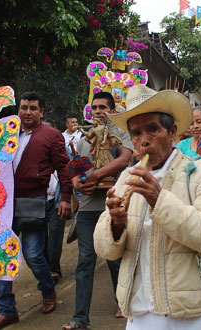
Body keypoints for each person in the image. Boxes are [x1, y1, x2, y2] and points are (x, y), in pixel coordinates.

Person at [94, 84, 201, 329]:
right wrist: (115, 223)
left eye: (153, 129)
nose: (144, 140)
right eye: (136, 133)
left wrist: (160, 200)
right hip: (139, 311)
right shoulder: (126, 178)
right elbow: (106, 251)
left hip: (188, 314)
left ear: (173, 131)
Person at [0, 92, 72, 330]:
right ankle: (7, 310)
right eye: (24, 108)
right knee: (1, 255)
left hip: (34, 202)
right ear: (18, 109)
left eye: (33, 108)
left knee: (33, 255)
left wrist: (65, 198)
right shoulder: (5, 133)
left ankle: (47, 290)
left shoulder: (52, 135)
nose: (28, 112)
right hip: (2, 206)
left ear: (41, 111)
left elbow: (63, 169)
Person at [62, 92, 133, 330]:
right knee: (85, 261)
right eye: (94, 108)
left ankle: (122, 303)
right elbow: (77, 166)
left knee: (114, 258)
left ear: (112, 110)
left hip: (113, 205)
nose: (98, 111)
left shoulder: (121, 133)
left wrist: (97, 175)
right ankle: (80, 318)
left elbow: (124, 159)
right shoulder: (85, 137)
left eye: (103, 107)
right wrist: (76, 182)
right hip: (88, 207)